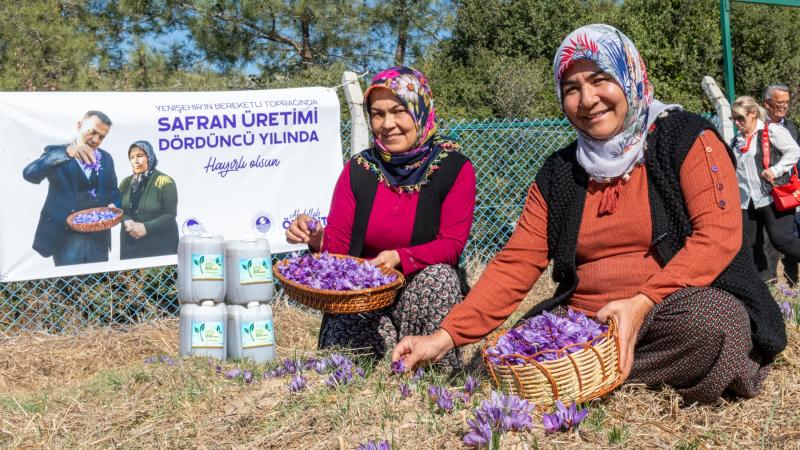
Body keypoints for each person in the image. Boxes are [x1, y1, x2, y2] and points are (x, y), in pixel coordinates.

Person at [392, 24, 787, 404]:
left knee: (716, 326)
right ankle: (588, 367)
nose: (588, 99)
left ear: (630, 75)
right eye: (571, 89)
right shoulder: (559, 172)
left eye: (600, 79)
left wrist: (642, 303)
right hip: (586, 324)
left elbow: (717, 234)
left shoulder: (685, 138)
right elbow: (517, 261)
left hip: (667, 312)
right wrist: (446, 336)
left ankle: (577, 374)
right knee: (502, 353)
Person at [286, 66, 476, 369]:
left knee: (439, 277)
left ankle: (435, 369)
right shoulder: (359, 171)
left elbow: (451, 245)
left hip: (420, 296)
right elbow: (339, 247)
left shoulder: (453, 168)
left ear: (420, 110)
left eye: (398, 111)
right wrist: (316, 238)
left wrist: (399, 257)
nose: (388, 124)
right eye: (377, 114)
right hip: (365, 301)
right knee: (343, 366)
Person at [23, 111, 121, 266]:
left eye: (102, 137)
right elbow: (29, 174)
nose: (96, 140)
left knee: (97, 286)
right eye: (93, 132)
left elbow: (113, 191)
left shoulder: (107, 158)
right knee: (69, 288)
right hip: (65, 237)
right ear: (79, 125)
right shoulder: (57, 153)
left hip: (98, 238)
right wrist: (68, 153)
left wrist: (114, 204)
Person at [732, 96, 800, 286]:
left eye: (740, 118)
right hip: (747, 201)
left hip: (772, 196)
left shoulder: (771, 131)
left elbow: (794, 151)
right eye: (733, 119)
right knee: (751, 245)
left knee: (782, 241)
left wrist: (775, 170)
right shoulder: (736, 140)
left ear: (753, 114)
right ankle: (767, 288)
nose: (737, 123)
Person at [760, 84, 800, 284]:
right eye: (780, 103)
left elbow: (795, 156)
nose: (784, 107)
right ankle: (771, 282)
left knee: (786, 237)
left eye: (786, 102)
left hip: (786, 190)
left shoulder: (790, 126)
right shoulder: (755, 124)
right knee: (766, 240)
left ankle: (790, 281)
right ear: (767, 104)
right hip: (763, 192)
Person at [118, 140, 179, 259]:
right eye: (132, 157)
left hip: (158, 249)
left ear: (149, 157)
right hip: (130, 250)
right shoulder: (125, 183)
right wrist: (126, 220)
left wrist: (146, 228)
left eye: (140, 156)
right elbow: (117, 210)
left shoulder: (165, 181)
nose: (135, 161)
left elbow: (170, 216)